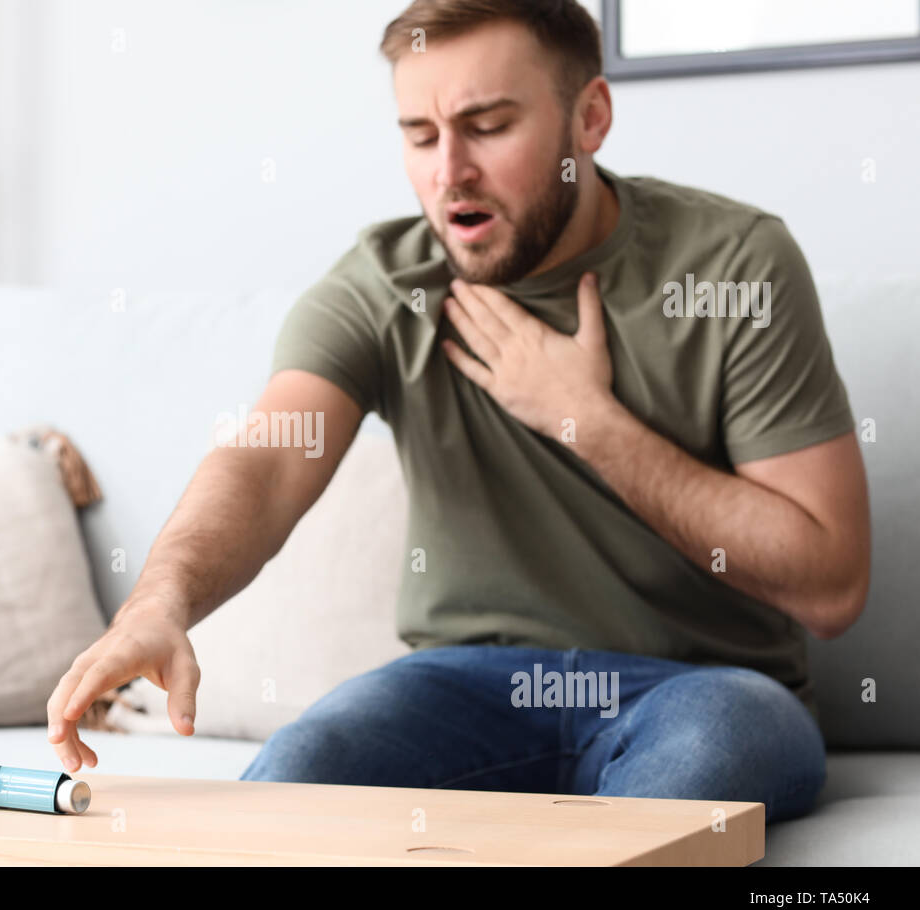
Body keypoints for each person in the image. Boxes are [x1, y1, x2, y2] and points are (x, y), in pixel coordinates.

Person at [46, 0, 870, 822]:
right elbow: (264, 461)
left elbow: (830, 585)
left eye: (487, 125)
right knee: (297, 778)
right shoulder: (384, 286)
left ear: (590, 118)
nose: (450, 172)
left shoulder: (733, 263)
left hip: (703, 687)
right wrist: (160, 601)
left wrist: (586, 418)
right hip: (464, 686)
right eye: (419, 134)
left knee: (694, 774)